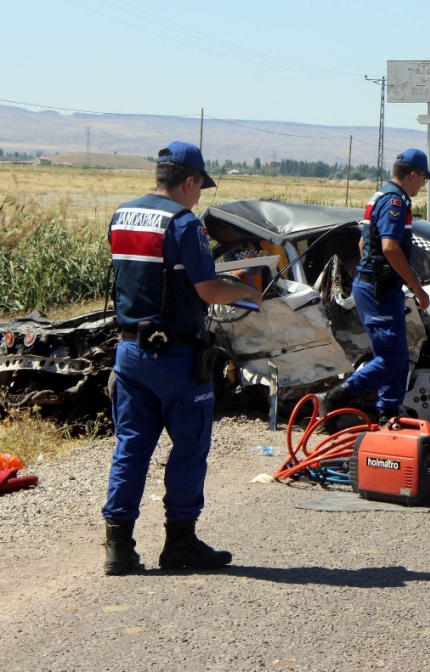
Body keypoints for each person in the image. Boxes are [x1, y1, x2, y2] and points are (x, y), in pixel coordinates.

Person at [102, 141, 264, 575]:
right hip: (175, 355)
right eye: (199, 188)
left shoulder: (123, 214)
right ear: (188, 181)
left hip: (129, 351)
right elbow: (208, 290)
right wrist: (249, 293)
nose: (198, 197)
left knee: (131, 447)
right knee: (190, 448)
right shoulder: (184, 223)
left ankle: (118, 547)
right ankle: (181, 543)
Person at [319, 149, 430, 425]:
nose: (423, 185)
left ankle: (389, 414)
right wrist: (417, 287)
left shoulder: (381, 196)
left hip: (380, 287)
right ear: (413, 175)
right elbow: (390, 247)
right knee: (392, 359)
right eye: (423, 179)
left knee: (398, 358)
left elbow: (362, 244)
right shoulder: (395, 201)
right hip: (379, 289)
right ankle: (338, 395)